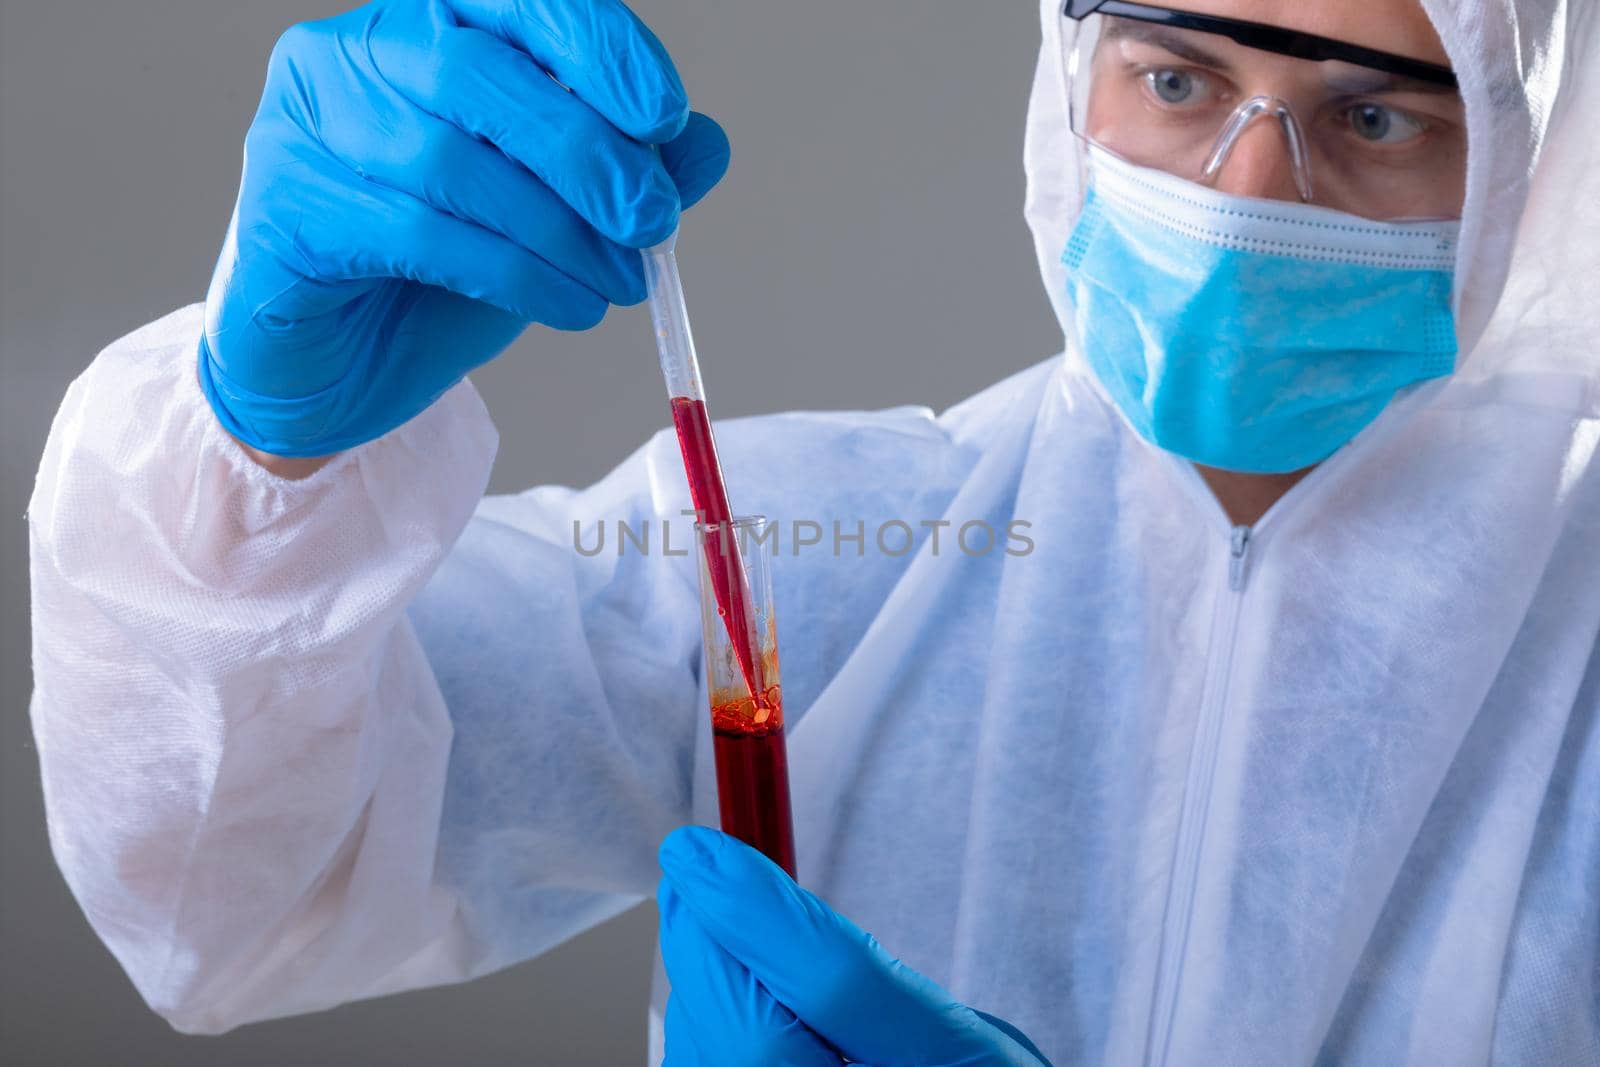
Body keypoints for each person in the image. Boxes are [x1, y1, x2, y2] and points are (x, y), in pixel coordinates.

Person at [26, 0, 1598, 1062]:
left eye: (1378, 120)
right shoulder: (817, 551)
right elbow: (224, 899)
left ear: (1524, 166)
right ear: (1074, 84)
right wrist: (260, 451)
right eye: (1177, 77)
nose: (1249, 181)